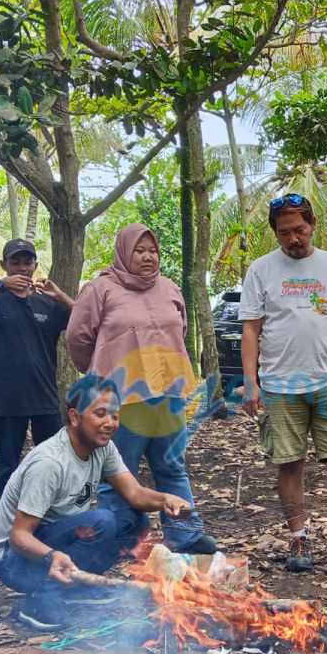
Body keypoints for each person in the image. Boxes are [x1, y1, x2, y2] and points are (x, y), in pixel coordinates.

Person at [239, 194, 327, 575]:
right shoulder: (260, 270)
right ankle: (298, 537)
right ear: (276, 233)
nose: (293, 239)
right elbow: (250, 328)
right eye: (284, 233)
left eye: (299, 230)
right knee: (289, 462)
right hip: (279, 384)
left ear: (312, 224)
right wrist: (250, 381)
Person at [0, 375, 193, 630]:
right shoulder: (49, 463)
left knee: (134, 520)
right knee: (102, 521)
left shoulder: (102, 448)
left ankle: (76, 588)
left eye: (115, 416)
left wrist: (166, 499)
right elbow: (18, 536)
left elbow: (135, 494)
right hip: (12, 560)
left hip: (52, 542)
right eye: (100, 414)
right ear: (74, 417)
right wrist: (53, 556)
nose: (110, 423)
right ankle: (40, 603)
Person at [66, 224, 219, 556]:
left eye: (153, 251)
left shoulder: (170, 289)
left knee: (172, 465)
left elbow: (181, 330)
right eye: (140, 250)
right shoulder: (99, 290)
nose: (148, 257)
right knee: (120, 471)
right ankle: (123, 539)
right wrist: (100, 370)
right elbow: (77, 337)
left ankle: (185, 535)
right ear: (124, 252)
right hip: (123, 399)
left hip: (168, 394)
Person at [0, 238, 74, 497]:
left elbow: (84, 319)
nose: (22, 268)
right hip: (5, 401)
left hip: (44, 397)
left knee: (53, 463)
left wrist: (61, 296)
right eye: (15, 262)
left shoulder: (47, 303)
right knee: (9, 468)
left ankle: (50, 518)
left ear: (35, 265)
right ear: (4, 265)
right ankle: (8, 524)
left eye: (27, 262)